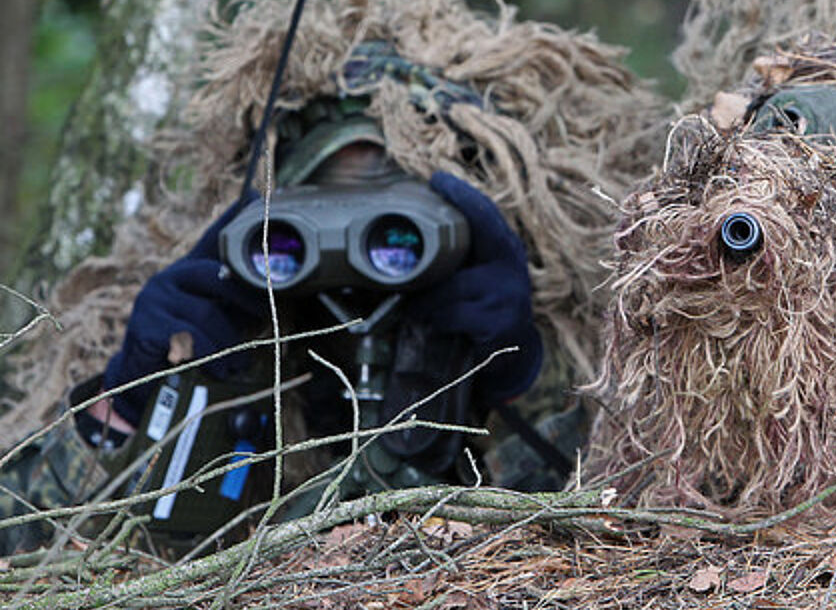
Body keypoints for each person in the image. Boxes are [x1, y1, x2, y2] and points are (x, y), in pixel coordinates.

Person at [0, 95, 550, 555]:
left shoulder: (502, 340)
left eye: (394, 234)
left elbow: (604, 503)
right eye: (308, 232)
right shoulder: (238, 354)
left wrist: (508, 380)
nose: (351, 263)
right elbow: (23, 536)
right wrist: (132, 406)